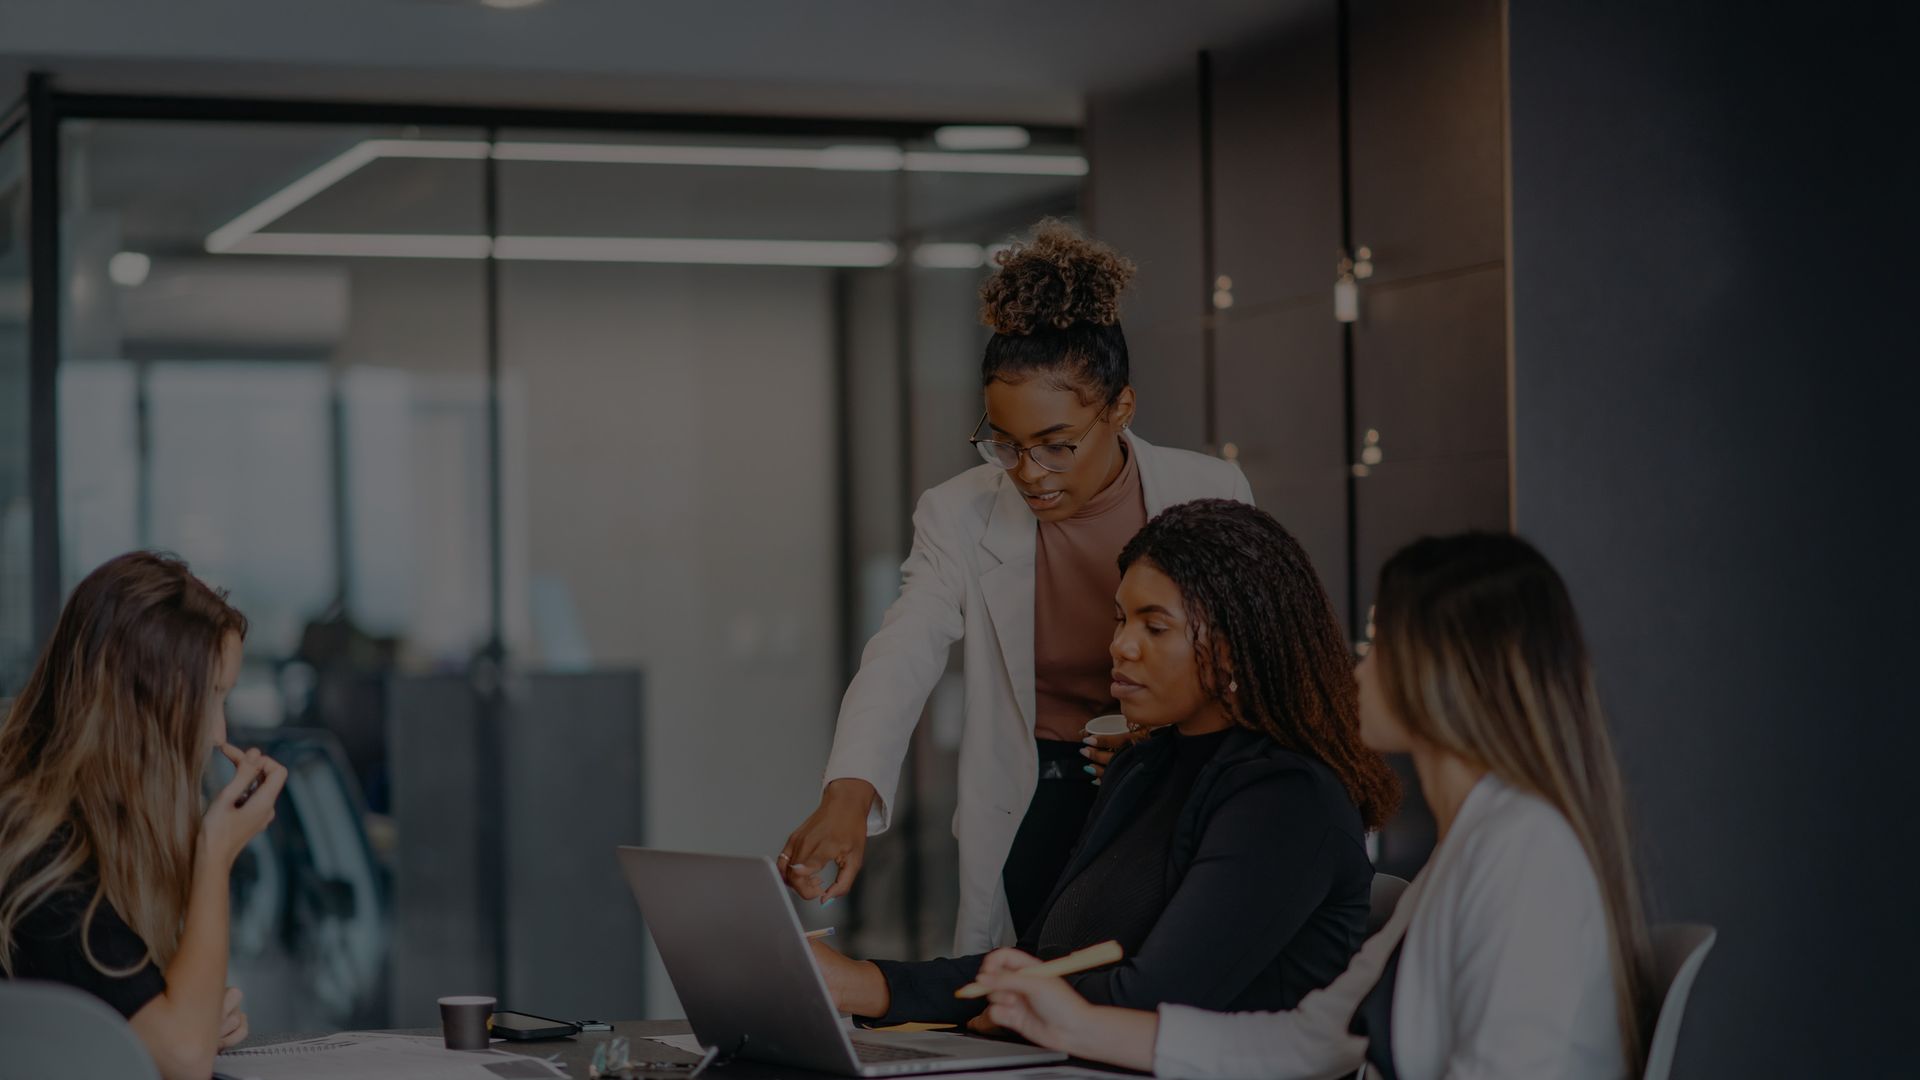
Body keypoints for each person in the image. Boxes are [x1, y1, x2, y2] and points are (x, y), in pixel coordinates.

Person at [972, 533, 1659, 1079]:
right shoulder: (1477, 849)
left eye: (1380, 644)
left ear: (1444, 673)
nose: (1359, 668)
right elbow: (1311, 1039)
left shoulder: (1526, 855)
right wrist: (1065, 1020)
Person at [781, 221, 1253, 951]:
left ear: (1121, 410)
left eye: (1057, 445)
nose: (1029, 472)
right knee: (1023, 979)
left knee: (1158, 973)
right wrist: (850, 791)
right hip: (1041, 783)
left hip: (1176, 778)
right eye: (1006, 444)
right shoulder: (959, 512)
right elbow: (903, 651)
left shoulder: (1210, 490)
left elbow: (1254, 656)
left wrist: (1161, 733)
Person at [808, 500, 1399, 1026]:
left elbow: (1157, 998)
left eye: (1154, 625)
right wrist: (864, 985)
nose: (1120, 645)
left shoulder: (1287, 798)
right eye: (1121, 618)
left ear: (1234, 646)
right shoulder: (1142, 769)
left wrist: (1020, 1004)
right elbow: (1044, 960)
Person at [0, 552, 288, 1080]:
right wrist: (216, 851)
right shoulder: (42, 858)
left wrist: (192, 1015)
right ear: (138, 705)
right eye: (208, 696)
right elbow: (182, 1058)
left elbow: (161, 1032)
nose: (219, 734)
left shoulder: (89, 825)